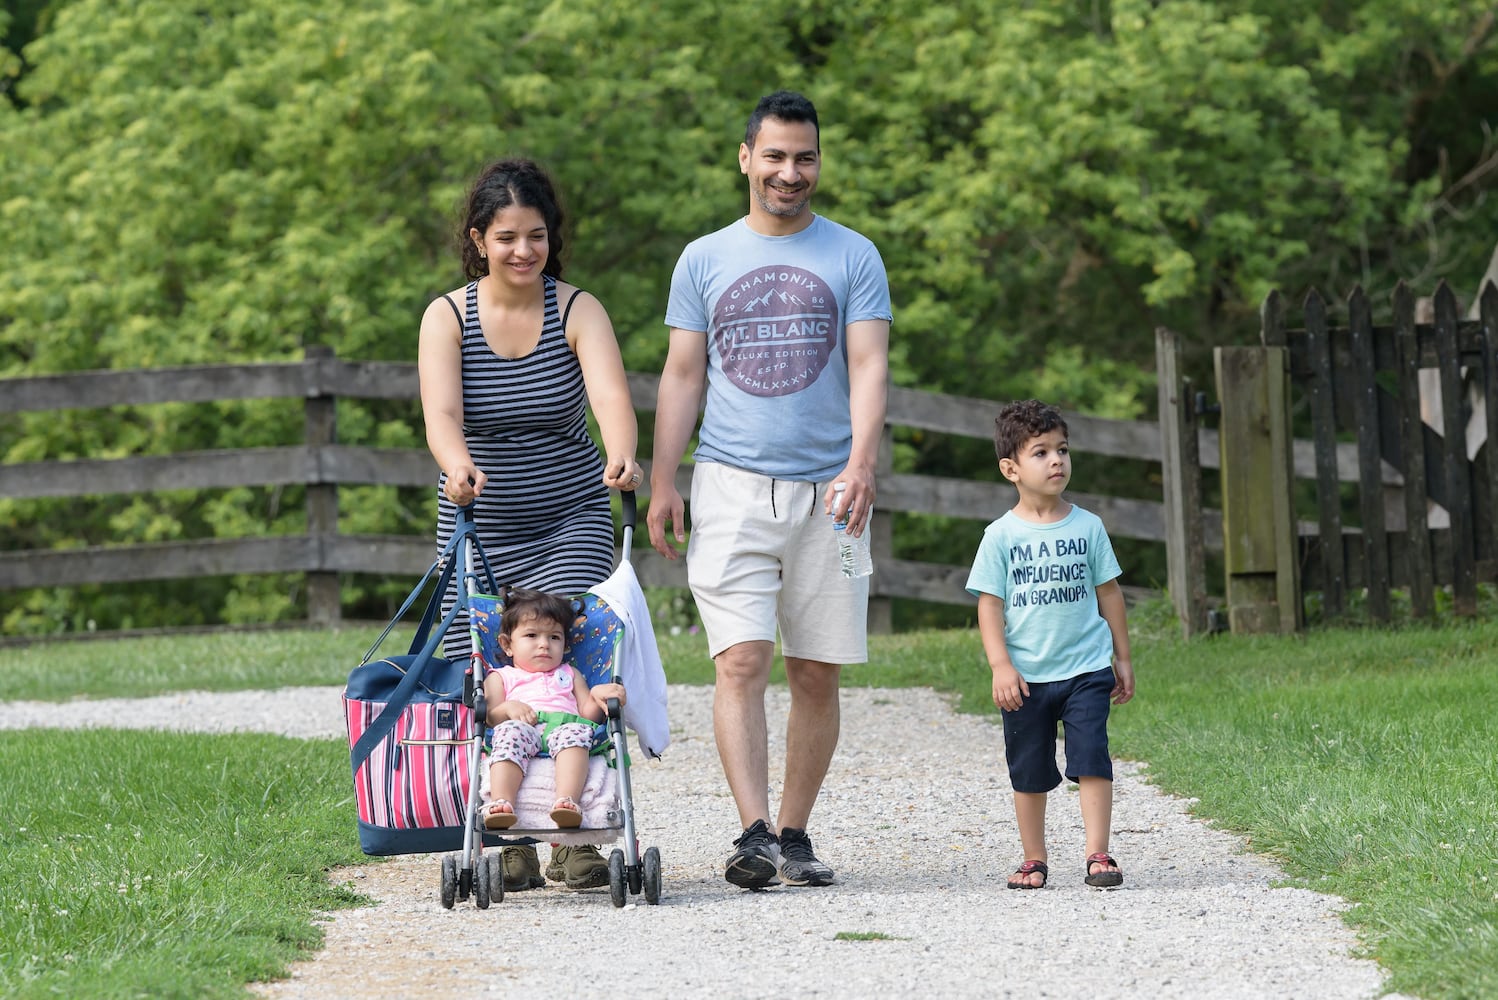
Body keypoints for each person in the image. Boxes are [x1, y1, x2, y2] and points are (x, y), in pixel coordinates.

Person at [647, 91, 892, 889]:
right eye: (777, 156)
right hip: (730, 485)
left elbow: (867, 365)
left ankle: (795, 833)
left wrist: (861, 462)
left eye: (806, 157)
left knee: (816, 670)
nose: (792, 172)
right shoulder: (704, 258)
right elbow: (683, 375)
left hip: (832, 494)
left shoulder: (854, 255)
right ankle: (750, 833)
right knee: (741, 660)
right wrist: (662, 480)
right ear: (746, 158)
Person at [418, 157, 643, 892]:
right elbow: (442, 414)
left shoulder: (577, 308)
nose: (523, 251)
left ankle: (575, 836)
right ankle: (502, 828)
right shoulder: (447, 316)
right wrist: (455, 463)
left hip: (568, 512)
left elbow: (610, 394)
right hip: (481, 516)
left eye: (536, 236)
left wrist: (622, 454)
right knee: (491, 681)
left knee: (570, 665)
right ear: (479, 239)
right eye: (507, 237)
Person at [964, 399, 1135, 890]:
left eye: (1062, 449)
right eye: (1040, 452)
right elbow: (989, 605)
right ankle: (1033, 858)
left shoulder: (1088, 527)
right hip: (1026, 677)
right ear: (1010, 468)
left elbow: (1109, 593)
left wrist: (1121, 658)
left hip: (1086, 669)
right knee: (1029, 769)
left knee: (1092, 758)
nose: (1057, 460)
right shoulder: (1000, 536)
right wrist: (1000, 666)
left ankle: (1098, 853)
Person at [480, 589, 627, 831]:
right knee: (507, 734)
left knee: (577, 735)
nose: (544, 645)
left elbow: (587, 714)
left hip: (564, 728)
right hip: (522, 727)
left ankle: (566, 802)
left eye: (554, 638)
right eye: (531, 635)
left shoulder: (569, 673)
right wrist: (507, 708)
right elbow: (490, 717)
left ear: (565, 645)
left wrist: (597, 694)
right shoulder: (502, 677)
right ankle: (502, 801)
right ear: (508, 645)